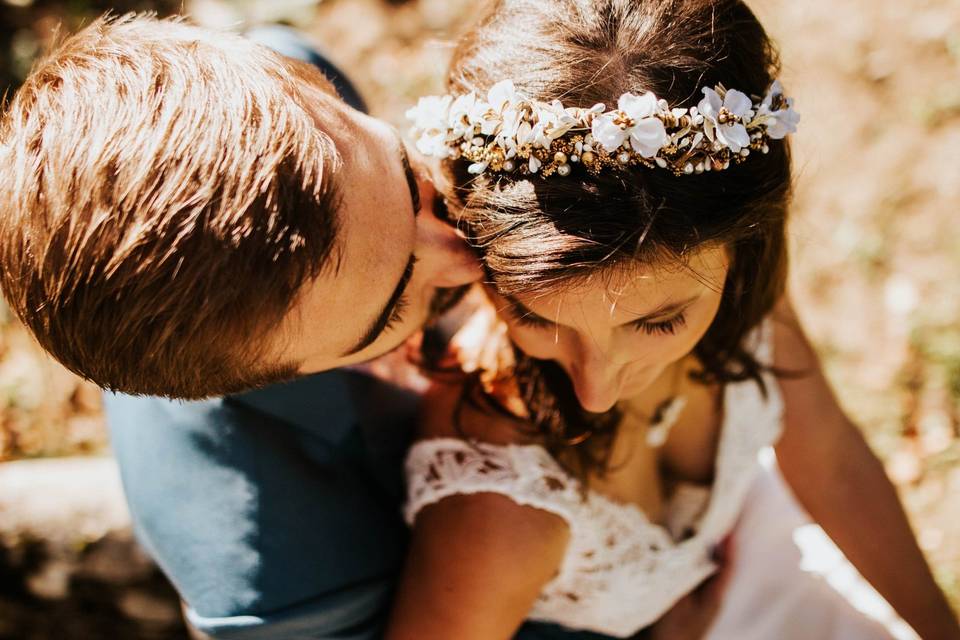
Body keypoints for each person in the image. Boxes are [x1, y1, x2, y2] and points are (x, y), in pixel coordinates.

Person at [0, 13, 715, 640]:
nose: (466, 259)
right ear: (286, 372)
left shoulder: (277, 80)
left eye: (409, 185)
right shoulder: (287, 591)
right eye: (395, 301)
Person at [386, 1, 960, 639]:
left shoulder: (730, 279)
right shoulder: (498, 510)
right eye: (534, 315)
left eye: (658, 323)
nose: (595, 390)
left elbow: (827, 456)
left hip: (764, 563)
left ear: (747, 248)